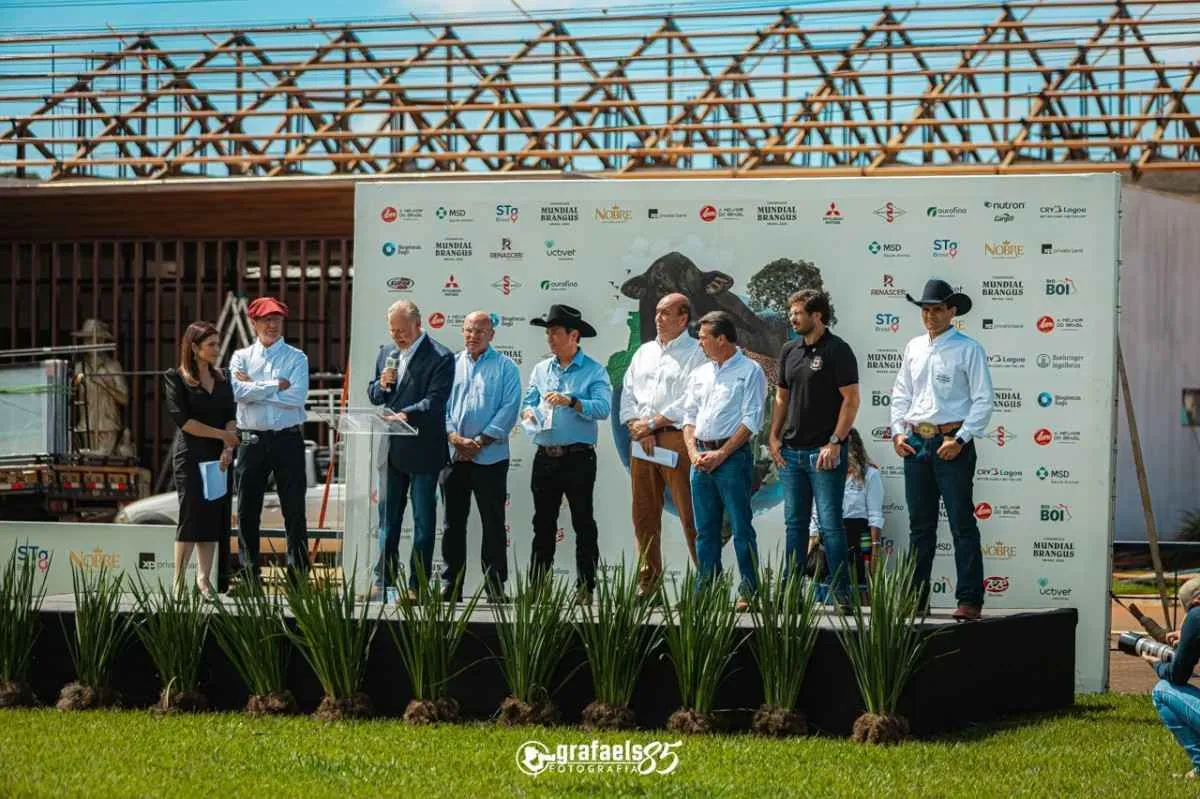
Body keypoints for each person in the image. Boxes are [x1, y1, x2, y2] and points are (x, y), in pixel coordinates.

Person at [890, 279, 993, 621]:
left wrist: (961, 439)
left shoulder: (969, 348)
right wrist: (898, 433)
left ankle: (969, 599)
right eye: (925, 309)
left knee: (962, 522)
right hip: (916, 439)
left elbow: (983, 400)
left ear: (952, 311)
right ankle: (916, 598)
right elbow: (902, 392)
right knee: (920, 525)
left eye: (937, 309)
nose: (930, 316)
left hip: (952, 441)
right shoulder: (913, 347)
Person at [767, 289, 860, 605]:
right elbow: (782, 396)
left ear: (817, 315)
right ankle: (790, 595)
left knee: (831, 525)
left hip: (824, 454)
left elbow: (851, 400)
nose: (792, 318)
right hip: (791, 454)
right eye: (790, 313)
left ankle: (843, 593)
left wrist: (835, 442)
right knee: (794, 525)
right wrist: (774, 436)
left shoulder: (838, 350)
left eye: (798, 313)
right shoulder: (788, 350)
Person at [521, 304, 612, 605]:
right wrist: (529, 415)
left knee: (583, 522)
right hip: (545, 455)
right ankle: (538, 588)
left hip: (578, 457)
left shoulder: (594, 370)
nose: (550, 338)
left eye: (556, 333)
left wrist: (571, 401)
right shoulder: (540, 369)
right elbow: (529, 403)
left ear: (574, 335)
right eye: (548, 333)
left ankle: (585, 588)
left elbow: (602, 408)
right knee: (542, 523)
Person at [619, 293, 706, 598]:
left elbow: (690, 400)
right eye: (656, 312)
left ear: (683, 319)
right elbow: (628, 394)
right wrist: (637, 426)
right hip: (642, 441)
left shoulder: (697, 352)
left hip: (675, 438)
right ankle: (648, 582)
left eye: (665, 313)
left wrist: (652, 424)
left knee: (689, 513)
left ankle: (706, 583)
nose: (657, 318)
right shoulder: (643, 352)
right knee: (643, 514)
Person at [367, 300, 454, 600]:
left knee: (423, 524)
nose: (397, 336)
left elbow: (435, 400)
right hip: (391, 448)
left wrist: (406, 414)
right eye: (393, 331)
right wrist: (381, 384)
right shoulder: (385, 353)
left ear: (418, 325)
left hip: (423, 451)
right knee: (387, 521)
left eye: (402, 330)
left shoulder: (440, 357)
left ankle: (417, 585)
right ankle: (383, 581)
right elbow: (374, 395)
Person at [682, 310, 767, 610]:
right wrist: (693, 452)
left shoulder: (750, 370)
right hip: (700, 457)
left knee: (741, 527)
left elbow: (752, 420)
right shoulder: (699, 373)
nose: (700, 344)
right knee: (705, 531)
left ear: (722, 338)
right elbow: (689, 417)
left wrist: (722, 454)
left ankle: (750, 592)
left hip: (732, 459)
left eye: (704, 337)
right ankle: (707, 593)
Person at [229, 296, 311, 584]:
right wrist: (276, 385)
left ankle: (298, 576)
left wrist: (255, 387)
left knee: (294, 509)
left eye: (276, 319)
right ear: (254, 323)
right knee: (247, 509)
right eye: (266, 319)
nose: (272, 325)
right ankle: (250, 574)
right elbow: (239, 393)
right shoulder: (240, 357)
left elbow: (297, 397)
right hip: (251, 440)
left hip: (287, 439)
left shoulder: (296, 357)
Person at [442, 311, 521, 602]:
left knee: (493, 524)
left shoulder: (506, 367)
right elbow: (442, 408)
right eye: (468, 330)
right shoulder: (450, 364)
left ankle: (496, 588)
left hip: (491, 458)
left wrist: (479, 442)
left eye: (479, 331)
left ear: (491, 335)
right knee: (452, 525)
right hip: (453, 458)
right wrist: (454, 438)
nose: (473, 336)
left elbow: (509, 409)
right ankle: (451, 586)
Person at [162, 322, 238, 595]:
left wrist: (228, 449)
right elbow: (184, 421)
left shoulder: (223, 378)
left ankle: (204, 580)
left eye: (218, 344)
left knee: (213, 517)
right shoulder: (176, 377)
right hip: (190, 457)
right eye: (211, 345)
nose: (217, 350)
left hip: (218, 458)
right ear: (194, 348)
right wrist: (222, 436)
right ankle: (178, 581)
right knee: (191, 515)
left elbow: (231, 416)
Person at [808, 428, 884, 588]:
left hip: (858, 538)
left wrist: (875, 550)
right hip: (829, 536)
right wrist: (811, 546)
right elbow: (816, 512)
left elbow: (875, 516)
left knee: (857, 587)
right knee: (825, 585)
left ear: (854, 447)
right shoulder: (825, 471)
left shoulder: (870, 473)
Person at [1147, 576, 1200, 780]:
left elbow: (1177, 676)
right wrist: (1187, 635)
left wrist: (1156, 664)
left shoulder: (1196, 616)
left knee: (1162, 690)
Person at [71, 318, 132, 456]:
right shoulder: (79, 368)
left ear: (102, 341)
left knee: (103, 459)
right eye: (87, 340)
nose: (90, 343)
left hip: (108, 424)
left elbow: (124, 399)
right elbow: (70, 397)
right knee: (87, 461)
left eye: (95, 339)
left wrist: (105, 385)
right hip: (86, 424)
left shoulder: (112, 366)